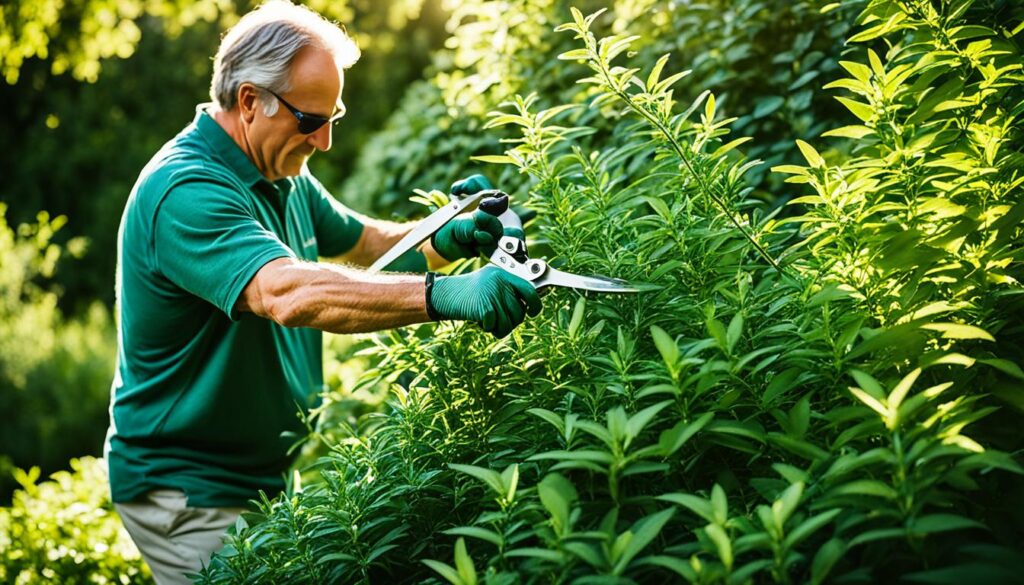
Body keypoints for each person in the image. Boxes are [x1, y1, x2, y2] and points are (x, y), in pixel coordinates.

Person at [103, 2, 541, 582]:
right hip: (187, 488)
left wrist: (450, 232)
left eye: (334, 116)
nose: (327, 140)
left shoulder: (282, 170)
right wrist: (448, 296)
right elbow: (286, 294)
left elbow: (367, 244)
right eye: (311, 121)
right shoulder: (184, 189)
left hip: (259, 479)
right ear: (250, 100)